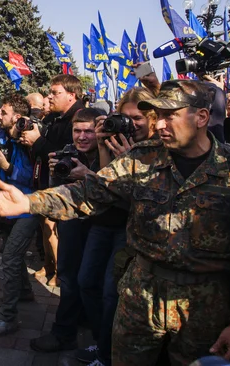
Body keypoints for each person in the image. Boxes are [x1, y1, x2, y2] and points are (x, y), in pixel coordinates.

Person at [0, 80, 230, 366]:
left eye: (170, 115)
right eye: (157, 115)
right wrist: (30, 202)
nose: (160, 124)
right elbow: (89, 192)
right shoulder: (142, 158)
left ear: (201, 117)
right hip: (141, 296)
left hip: (203, 307)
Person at [77, 88, 157, 366]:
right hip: (105, 223)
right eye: (125, 117)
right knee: (86, 283)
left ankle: (108, 354)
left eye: (138, 118)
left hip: (130, 231)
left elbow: (141, 196)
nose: (131, 124)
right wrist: (102, 146)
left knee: (113, 293)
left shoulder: (158, 148)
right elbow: (105, 186)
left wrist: (133, 160)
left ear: (154, 119)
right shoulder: (115, 142)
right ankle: (102, 343)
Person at [31, 108, 105, 354]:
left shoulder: (112, 156)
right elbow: (57, 195)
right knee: (69, 278)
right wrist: (57, 173)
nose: (82, 137)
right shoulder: (68, 154)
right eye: (77, 131)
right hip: (73, 222)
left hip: (103, 227)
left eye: (88, 131)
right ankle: (64, 333)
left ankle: (101, 342)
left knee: (94, 284)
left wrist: (87, 176)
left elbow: (115, 191)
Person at [0, 93, 38, 338]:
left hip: (26, 206)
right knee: (10, 255)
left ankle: (8, 317)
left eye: (3, 112)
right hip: (6, 206)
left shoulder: (28, 140)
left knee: (11, 258)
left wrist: (6, 166)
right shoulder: (1, 135)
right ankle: (25, 291)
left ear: (17, 116)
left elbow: (28, 178)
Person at [21, 75, 85, 287]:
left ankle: (62, 276)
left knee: (69, 246)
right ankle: (53, 267)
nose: (50, 97)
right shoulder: (60, 119)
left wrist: (38, 141)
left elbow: (65, 157)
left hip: (73, 194)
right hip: (54, 187)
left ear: (71, 95)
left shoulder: (79, 118)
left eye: (55, 93)